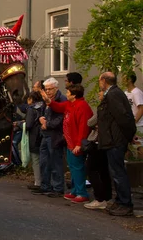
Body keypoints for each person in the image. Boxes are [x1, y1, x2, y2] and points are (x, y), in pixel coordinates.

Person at [42, 84, 93, 203]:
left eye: (69, 92)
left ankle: (82, 192)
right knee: (73, 168)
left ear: (74, 95)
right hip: (70, 141)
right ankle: (75, 191)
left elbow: (83, 127)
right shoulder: (70, 104)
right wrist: (48, 100)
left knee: (78, 168)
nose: (67, 94)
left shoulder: (82, 106)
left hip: (76, 142)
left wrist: (79, 143)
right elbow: (58, 107)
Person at [97, 72, 136, 216]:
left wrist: (127, 135)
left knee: (118, 172)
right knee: (115, 172)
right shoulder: (114, 93)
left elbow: (123, 117)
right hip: (113, 138)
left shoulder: (113, 95)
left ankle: (125, 203)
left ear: (104, 81)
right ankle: (120, 200)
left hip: (115, 139)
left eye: (100, 80)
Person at [32, 77, 67, 198]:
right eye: (46, 89)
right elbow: (41, 113)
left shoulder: (61, 99)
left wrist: (48, 124)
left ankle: (58, 187)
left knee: (55, 162)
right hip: (45, 134)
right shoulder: (46, 99)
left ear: (56, 88)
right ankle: (45, 185)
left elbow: (61, 118)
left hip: (55, 135)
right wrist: (40, 119)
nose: (48, 92)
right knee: (44, 161)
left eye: (50, 89)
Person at [83, 108, 113, 210]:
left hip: (98, 142)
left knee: (91, 168)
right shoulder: (116, 109)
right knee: (104, 170)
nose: (99, 94)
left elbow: (90, 122)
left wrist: (97, 124)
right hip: (108, 142)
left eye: (100, 92)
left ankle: (99, 199)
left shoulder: (103, 108)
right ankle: (107, 197)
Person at [25, 91, 46, 191]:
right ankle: (46, 181)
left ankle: (38, 182)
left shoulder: (31, 109)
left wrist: (20, 125)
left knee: (36, 160)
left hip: (34, 135)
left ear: (31, 99)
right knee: (45, 159)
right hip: (43, 134)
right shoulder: (44, 106)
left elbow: (28, 124)